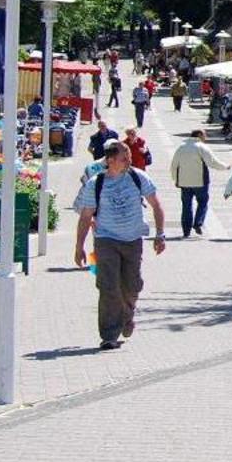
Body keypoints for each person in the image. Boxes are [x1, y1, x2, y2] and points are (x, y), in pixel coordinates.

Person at [72, 139, 169, 350]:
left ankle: (127, 314)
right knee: (108, 286)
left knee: (132, 285)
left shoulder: (137, 177)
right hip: (105, 240)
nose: (129, 161)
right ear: (110, 160)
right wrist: (79, 246)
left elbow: (156, 204)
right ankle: (109, 335)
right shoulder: (95, 183)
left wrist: (160, 234)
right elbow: (85, 216)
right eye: (124, 158)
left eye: (129, 157)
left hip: (133, 240)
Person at [171, 129, 224, 239]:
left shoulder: (181, 147)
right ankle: (198, 223)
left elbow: (174, 166)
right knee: (203, 202)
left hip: (184, 182)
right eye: (205, 135)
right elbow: (212, 162)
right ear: (199, 135)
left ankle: (186, 231)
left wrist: (176, 179)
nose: (206, 137)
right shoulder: (201, 147)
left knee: (186, 206)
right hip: (200, 182)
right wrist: (225, 166)